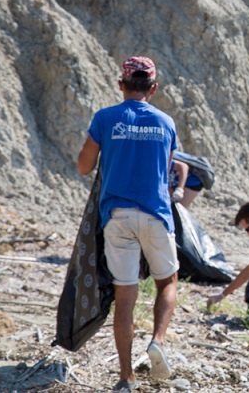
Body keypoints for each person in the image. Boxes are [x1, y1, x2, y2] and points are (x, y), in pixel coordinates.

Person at [77, 56, 179, 392]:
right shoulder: (166, 122)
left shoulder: (105, 118)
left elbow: (83, 166)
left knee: (125, 298)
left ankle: (126, 377)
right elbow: (165, 172)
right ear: (154, 88)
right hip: (155, 213)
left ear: (121, 84)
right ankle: (158, 342)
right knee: (167, 282)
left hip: (117, 217)